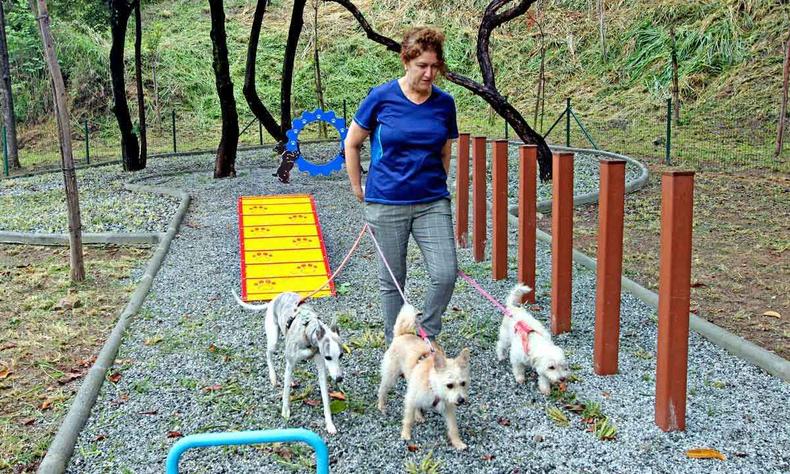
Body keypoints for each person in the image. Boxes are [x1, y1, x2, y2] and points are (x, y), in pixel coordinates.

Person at [344, 26, 459, 344]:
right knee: (393, 280)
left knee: (445, 273)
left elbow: (445, 150)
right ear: (406, 61)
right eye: (422, 65)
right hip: (386, 202)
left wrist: (437, 182)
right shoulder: (381, 98)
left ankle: (427, 334)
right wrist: (358, 188)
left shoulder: (444, 103)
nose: (429, 73)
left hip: (432, 202)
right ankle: (398, 344)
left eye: (435, 66)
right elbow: (351, 143)